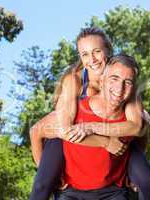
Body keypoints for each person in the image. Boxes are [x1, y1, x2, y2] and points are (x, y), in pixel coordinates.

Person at [29, 27, 150, 200]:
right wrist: (105, 142)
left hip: (115, 137)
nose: (92, 59)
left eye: (97, 51)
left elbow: (137, 127)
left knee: (147, 181)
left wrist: (130, 170)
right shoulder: (74, 80)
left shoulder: (122, 74)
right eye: (84, 54)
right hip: (70, 137)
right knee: (42, 184)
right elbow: (51, 130)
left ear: (108, 50)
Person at [56, 54, 140, 200]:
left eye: (127, 82)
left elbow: (139, 132)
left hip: (113, 192)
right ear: (102, 81)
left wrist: (92, 127)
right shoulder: (74, 108)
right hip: (72, 191)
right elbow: (37, 132)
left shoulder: (131, 117)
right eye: (114, 79)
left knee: (149, 183)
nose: (119, 88)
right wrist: (52, 175)